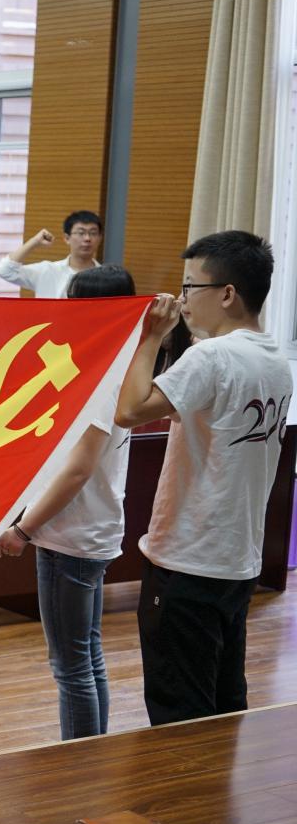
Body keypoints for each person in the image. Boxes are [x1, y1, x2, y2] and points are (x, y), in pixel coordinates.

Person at [115, 230, 292, 727]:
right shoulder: (275, 359)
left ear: (227, 294)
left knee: (180, 714)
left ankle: (186, 782)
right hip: (236, 559)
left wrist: (151, 337)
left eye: (190, 286)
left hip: (188, 558)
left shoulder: (212, 358)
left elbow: (129, 411)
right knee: (224, 701)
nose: (183, 298)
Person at [0, 265, 136, 740]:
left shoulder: (104, 382)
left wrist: (23, 529)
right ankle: (91, 750)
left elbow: (78, 470)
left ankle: (80, 762)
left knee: (72, 665)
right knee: (87, 656)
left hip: (71, 537)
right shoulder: (123, 370)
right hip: (91, 530)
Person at [0, 211, 103, 298]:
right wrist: (34, 241)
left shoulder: (105, 278)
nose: (87, 238)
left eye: (93, 233)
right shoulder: (47, 271)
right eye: (81, 233)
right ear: (67, 238)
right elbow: (5, 271)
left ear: (100, 238)